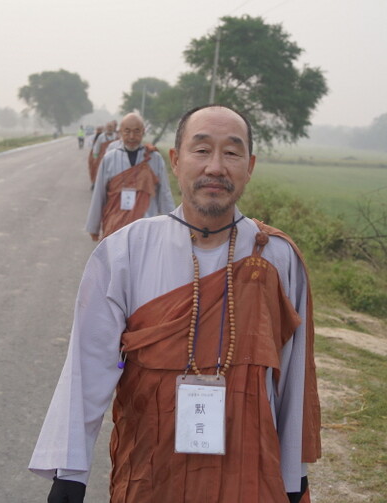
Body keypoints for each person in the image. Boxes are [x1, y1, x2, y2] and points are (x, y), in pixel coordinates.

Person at [31, 104, 321, 503]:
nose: (216, 167)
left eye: (232, 153)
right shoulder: (124, 252)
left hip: (250, 472)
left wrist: (294, 478)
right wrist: (70, 474)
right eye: (201, 150)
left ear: (249, 165)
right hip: (152, 468)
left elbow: (293, 380)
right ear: (175, 160)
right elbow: (89, 364)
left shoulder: (276, 258)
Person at [85, 112, 175, 241]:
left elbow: (164, 194)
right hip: (115, 226)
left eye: (136, 131)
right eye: (127, 132)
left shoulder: (154, 158)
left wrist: (173, 226)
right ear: (120, 132)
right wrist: (94, 227)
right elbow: (99, 194)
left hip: (146, 227)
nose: (132, 137)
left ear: (143, 132)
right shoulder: (110, 158)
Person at [88, 120, 117, 186]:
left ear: (113, 128)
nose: (110, 128)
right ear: (106, 128)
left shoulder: (116, 136)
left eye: (111, 127)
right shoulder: (101, 137)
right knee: (98, 172)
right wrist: (95, 157)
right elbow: (96, 147)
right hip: (102, 158)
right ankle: (95, 183)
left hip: (113, 158)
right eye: (108, 127)